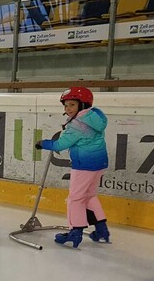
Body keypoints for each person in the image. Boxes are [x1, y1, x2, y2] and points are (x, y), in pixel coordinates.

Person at [35, 86, 110, 247]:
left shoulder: (77, 124)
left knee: (75, 199)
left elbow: (61, 145)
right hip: (99, 163)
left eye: (72, 105)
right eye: (66, 105)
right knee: (89, 196)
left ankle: (75, 232)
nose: (67, 109)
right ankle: (102, 230)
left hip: (84, 165)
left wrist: (43, 143)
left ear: (82, 104)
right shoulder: (94, 116)